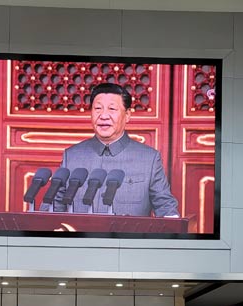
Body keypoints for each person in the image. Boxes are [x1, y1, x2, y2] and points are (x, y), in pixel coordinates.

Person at [53, 83, 179, 217]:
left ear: (127, 115)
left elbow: (165, 207)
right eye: (98, 108)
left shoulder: (149, 159)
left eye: (112, 109)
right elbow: (54, 206)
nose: (103, 116)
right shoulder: (72, 156)